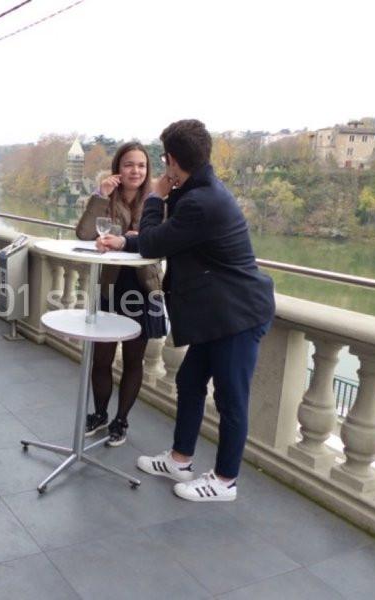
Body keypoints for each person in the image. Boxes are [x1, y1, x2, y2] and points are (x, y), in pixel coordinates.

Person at [98, 119, 275, 501]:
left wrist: (154, 197)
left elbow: (153, 242)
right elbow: (166, 234)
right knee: (189, 382)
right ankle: (180, 458)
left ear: (172, 160)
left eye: (164, 162)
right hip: (217, 313)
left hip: (237, 315)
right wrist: (130, 234)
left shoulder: (201, 200)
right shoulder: (198, 190)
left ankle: (225, 481)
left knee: (230, 399)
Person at [75, 141, 167, 447]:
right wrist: (100, 196)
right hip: (110, 287)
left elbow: (162, 240)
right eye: (129, 164)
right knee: (101, 359)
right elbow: (84, 233)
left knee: (133, 361)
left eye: (141, 165)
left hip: (142, 289)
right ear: (118, 168)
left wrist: (133, 239)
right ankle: (100, 413)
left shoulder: (156, 199)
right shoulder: (107, 198)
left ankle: (121, 420)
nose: (135, 171)